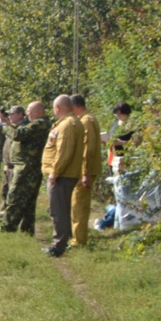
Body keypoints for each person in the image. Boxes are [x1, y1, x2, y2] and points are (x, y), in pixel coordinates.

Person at [41, 94, 85, 257]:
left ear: (57, 108)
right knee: (62, 209)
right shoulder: (73, 122)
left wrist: (55, 172)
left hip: (62, 175)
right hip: (67, 173)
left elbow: (64, 152)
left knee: (58, 210)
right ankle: (62, 241)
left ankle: (58, 245)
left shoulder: (66, 125)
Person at [0, 102, 51, 235]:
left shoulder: (40, 123)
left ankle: (7, 228)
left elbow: (19, 135)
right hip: (27, 166)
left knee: (15, 197)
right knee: (27, 201)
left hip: (27, 167)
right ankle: (27, 231)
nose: (27, 113)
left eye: (29, 110)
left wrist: (5, 126)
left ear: (38, 112)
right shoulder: (37, 123)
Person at [70, 94, 104, 247]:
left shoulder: (86, 121)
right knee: (77, 204)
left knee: (79, 205)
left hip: (85, 171)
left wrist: (84, 173)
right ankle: (77, 237)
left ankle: (78, 240)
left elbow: (87, 149)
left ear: (74, 106)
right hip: (84, 170)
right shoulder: (86, 119)